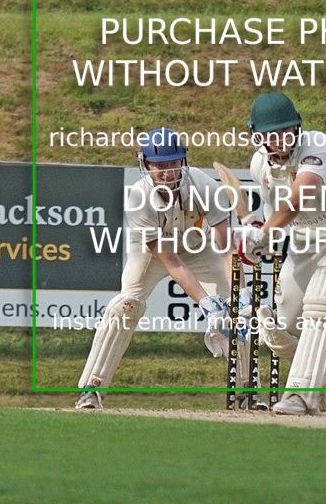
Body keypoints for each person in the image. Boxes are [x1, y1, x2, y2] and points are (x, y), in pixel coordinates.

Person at [76, 127, 264, 410]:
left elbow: (226, 249)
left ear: (183, 160)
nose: (168, 173)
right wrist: (206, 303)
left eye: (173, 163)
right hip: (151, 254)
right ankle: (91, 389)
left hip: (198, 246)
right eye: (160, 166)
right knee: (125, 306)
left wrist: (241, 291)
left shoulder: (204, 186)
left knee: (237, 310)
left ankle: (248, 391)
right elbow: (171, 261)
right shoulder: (138, 198)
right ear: (145, 164)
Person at [234, 92, 326, 415]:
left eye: (287, 132)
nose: (281, 141)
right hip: (306, 243)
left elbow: (297, 198)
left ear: (298, 127)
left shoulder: (319, 148)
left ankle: (302, 396)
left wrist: (263, 232)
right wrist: (261, 238)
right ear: (257, 136)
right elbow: (277, 211)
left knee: (323, 300)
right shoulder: (260, 166)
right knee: (282, 328)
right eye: (272, 135)